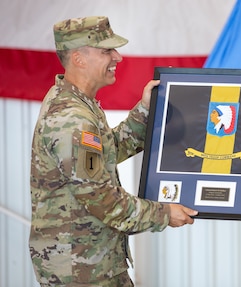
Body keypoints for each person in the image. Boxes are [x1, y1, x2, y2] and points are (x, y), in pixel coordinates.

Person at [29, 16, 198, 287]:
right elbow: (105, 202)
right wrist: (164, 213)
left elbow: (107, 154)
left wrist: (145, 112)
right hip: (82, 274)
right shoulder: (73, 119)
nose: (117, 57)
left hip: (92, 265)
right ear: (79, 58)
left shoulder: (77, 104)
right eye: (106, 50)